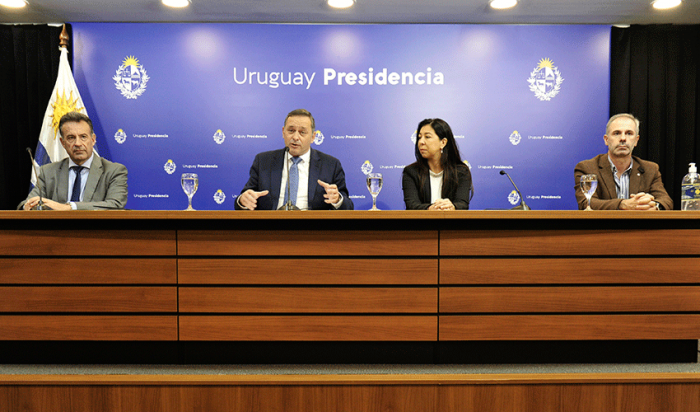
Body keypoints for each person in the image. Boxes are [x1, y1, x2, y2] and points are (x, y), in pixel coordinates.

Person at [235, 109, 353, 210]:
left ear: (313, 137)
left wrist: (337, 199)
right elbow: (244, 199)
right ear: (283, 132)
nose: (295, 137)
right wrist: (244, 200)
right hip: (271, 229)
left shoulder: (331, 165)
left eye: (302, 132)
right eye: (291, 131)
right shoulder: (263, 161)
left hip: (313, 231)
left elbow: (348, 206)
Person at [18, 111, 128, 211]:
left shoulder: (114, 171)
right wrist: (30, 206)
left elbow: (115, 205)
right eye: (71, 137)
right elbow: (26, 204)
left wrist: (69, 207)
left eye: (83, 137)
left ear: (93, 139)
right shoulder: (48, 172)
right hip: (56, 231)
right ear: (63, 143)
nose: (78, 143)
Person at [574, 113, 672, 210]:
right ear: (606, 140)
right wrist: (622, 204)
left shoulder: (650, 169)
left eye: (629, 133)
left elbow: (666, 201)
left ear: (636, 140)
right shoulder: (587, 168)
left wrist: (654, 206)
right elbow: (586, 202)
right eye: (617, 133)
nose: (623, 138)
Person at [402, 118, 472, 210]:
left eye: (427, 137)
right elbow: (412, 205)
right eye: (419, 137)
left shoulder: (461, 171)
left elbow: (462, 204)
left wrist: (452, 206)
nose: (421, 142)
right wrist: (431, 208)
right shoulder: (411, 172)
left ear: (443, 142)